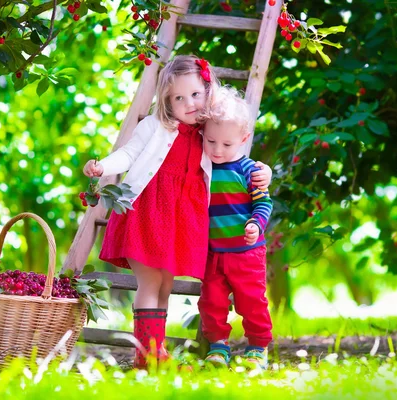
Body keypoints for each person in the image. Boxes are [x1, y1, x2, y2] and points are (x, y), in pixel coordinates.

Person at [82, 55, 272, 369]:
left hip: (178, 221)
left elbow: (235, 155)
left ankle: (156, 354)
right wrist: (103, 167)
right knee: (150, 284)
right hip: (147, 212)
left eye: (196, 94)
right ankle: (147, 357)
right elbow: (129, 154)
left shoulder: (207, 132)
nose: (190, 103)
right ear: (167, 101)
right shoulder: (155, 126)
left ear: (208, 91)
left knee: (165, 286)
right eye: (179, 98)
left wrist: (265, 172)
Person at [197, 86, 273, 370]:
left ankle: (257, 347)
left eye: (227, 145)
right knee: (211, 303)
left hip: (246, 252)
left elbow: (264, 204)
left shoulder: (249, 171)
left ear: (243, 139)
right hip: (213, 254)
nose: (217, 150)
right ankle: (218, 348)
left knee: (252, 301)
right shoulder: (201, 168)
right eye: (211, 141)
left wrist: (255, 223)